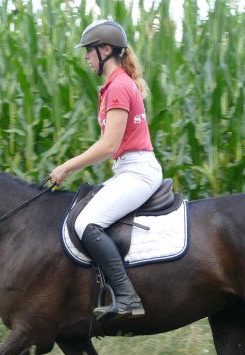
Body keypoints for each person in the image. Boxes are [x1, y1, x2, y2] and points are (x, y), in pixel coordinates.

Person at [49, 19, 163, 322]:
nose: (86, 57)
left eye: (88, 51)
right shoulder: (117, 85)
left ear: (105, 50)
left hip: (138, 171)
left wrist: (67, 166)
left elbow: (108, 145)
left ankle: (126, 297)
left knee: (87, 222)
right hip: (129, 169)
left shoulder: (118, 87)